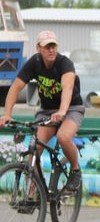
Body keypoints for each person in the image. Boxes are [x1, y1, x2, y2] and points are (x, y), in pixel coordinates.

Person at [0, 31, 84, 191]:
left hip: (72, 108)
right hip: (47, 111)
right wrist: (7, 114)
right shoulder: (34, 63)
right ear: (39, 48)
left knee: (63, 136)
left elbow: (67, 88)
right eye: (47, 47)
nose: (51, 50)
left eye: (53, 46)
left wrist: (62, 111)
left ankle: (75, 171)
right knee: (34, 148)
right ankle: (33, 192)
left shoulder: (65, 63)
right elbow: (15, 87)